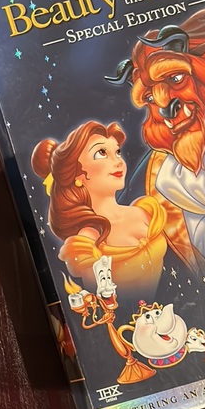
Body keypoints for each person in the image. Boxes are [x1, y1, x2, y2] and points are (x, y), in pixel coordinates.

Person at [31, 120, 167, 301]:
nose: (118, 161)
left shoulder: (145, 212)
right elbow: (103, 304)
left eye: (117, 152)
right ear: (78, 174)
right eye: (101, 153)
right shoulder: (88, 240)